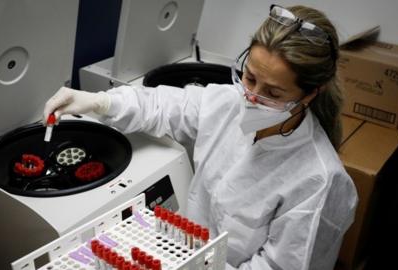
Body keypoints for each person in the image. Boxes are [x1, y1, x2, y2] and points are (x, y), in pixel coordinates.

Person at [44, 4, 358, 270]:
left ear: (309, 95)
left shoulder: (319, 181)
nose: (250, 97)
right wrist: (101, 102)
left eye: (273, 93)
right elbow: (162, 105)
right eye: (249, 77)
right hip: (187, 256)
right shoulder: (226, 104)